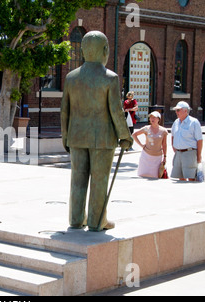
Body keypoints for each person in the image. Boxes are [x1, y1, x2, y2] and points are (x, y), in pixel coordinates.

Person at [61, 31, 133, 232]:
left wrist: (65, 136)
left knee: (77, 178)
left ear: (83, 50)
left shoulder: (71, 78)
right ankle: (96, 220)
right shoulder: (110, 78)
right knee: (99, 180)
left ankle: (76, 219)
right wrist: (125, 136)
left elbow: (64, 111)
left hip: (76, 136)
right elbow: (116, 111)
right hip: (102, 138)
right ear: (105, 50)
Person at [170, 101, 203, 181]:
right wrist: (175, 149)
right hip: (178, 153)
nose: (176, 112)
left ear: (185, 111)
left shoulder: (194, 122)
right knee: (180, 178)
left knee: (191, 177)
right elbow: (173, 136)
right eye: (176, 110)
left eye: (178, 110)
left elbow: (199, 140)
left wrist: (198, 156)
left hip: (189, 153)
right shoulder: (176, 122)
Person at [132, 111, 168, 178]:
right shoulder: (146, 128)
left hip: (157, 157)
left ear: (158, 119)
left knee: (155, 177)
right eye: (151, 117)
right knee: (142, 176)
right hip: (146, 156)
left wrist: (165, 157)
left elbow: (164, 145)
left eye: (154, 117)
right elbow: (134, 135)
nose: (152, 119)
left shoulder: (163, 131)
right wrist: (141, 145)